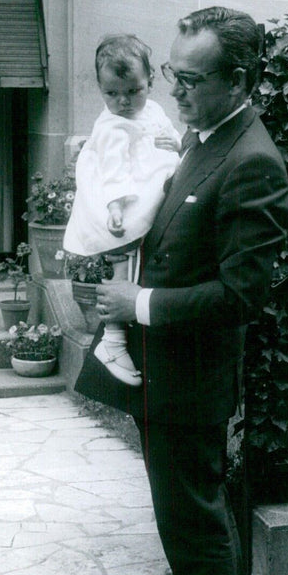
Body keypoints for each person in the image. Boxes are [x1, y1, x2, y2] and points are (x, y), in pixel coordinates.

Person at [90, 6, 288, 575]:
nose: (174, 90)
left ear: (239, 80)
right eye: (173, 73)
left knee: (193, 522)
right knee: (201, 516)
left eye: (191, 78)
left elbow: (242, 296)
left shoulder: (252, 159)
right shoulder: (207, 137)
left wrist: (136, 306)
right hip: (174, 376)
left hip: (191, 380)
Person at [63, 35, 181, 386]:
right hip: (122, 197)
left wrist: (176, 144)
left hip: (148, 184)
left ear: (150, 83)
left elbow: (172, 136)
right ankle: (113, 338)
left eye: (133, 91)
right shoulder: (111, 126)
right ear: (100, 89)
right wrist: (115, 206)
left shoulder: (155, 110)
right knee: (123, 259)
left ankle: (119, 334)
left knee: (136, 263)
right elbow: (112, 171)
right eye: (111, 94)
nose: (123, 101)